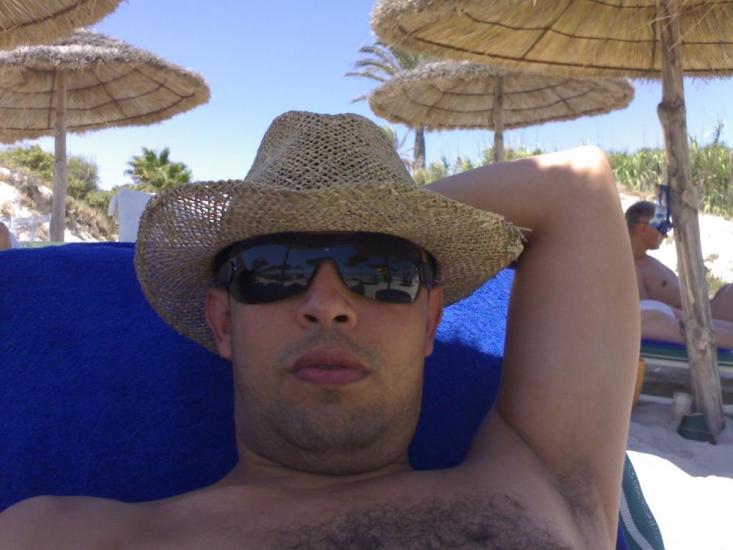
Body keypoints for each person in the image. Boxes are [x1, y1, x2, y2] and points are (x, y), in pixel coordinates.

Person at [0, 112, 639, 548]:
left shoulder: (541, 476)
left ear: (430, 321)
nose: (328, 305)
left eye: (382, 271)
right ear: (222, 322)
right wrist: (382, 231)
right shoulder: (58, 536)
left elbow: (579, 185)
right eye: (274, 270)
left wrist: (395, 215)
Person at [626, 200, 733, 345]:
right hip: (693, 320)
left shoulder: (647, 262)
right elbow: (646, 309)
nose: (665, 235)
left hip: (701, 314)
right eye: (663, 227)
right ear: (643, 228)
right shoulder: (632, 268)